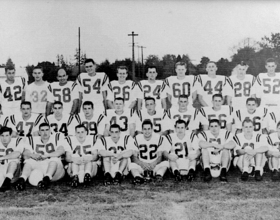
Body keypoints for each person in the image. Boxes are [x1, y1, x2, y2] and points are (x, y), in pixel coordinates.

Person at [14, 123, 69, 190]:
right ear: (39, 132)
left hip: (55, 170)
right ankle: (22, 179)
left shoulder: (56, 138)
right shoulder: (33, 140)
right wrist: (32, 155)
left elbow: (61, 151)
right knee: (29, 160)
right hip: (40, 166)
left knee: (54, 159)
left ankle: (46, 179)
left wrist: (47, 155)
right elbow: (26, 152)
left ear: (50, 131)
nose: (45, 132)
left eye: (47, 130)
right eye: (42, 130)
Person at [129, 119, 169, 184]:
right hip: (142, 166)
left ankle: (158, 175)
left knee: (165, 163)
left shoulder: (158, 138)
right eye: (145, 129)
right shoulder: (137, 138)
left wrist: (154, 163)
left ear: (152, 129)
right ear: (142, 130)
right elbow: (134, 157)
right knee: (131, 165)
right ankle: (138, 177)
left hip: (154, 165)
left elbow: (160, 156)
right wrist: (142, 163)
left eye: (148, 129)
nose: (147, 131)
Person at [0, 127, 25, 191]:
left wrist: (2, 157)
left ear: (11, 136)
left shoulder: (18, 141)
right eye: (2, 136)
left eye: (7, 135)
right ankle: (4, 182)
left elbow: (17, 153)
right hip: (1, 168)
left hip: (14, 172)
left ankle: (7, 181)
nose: (4, 138)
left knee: (14, 159)